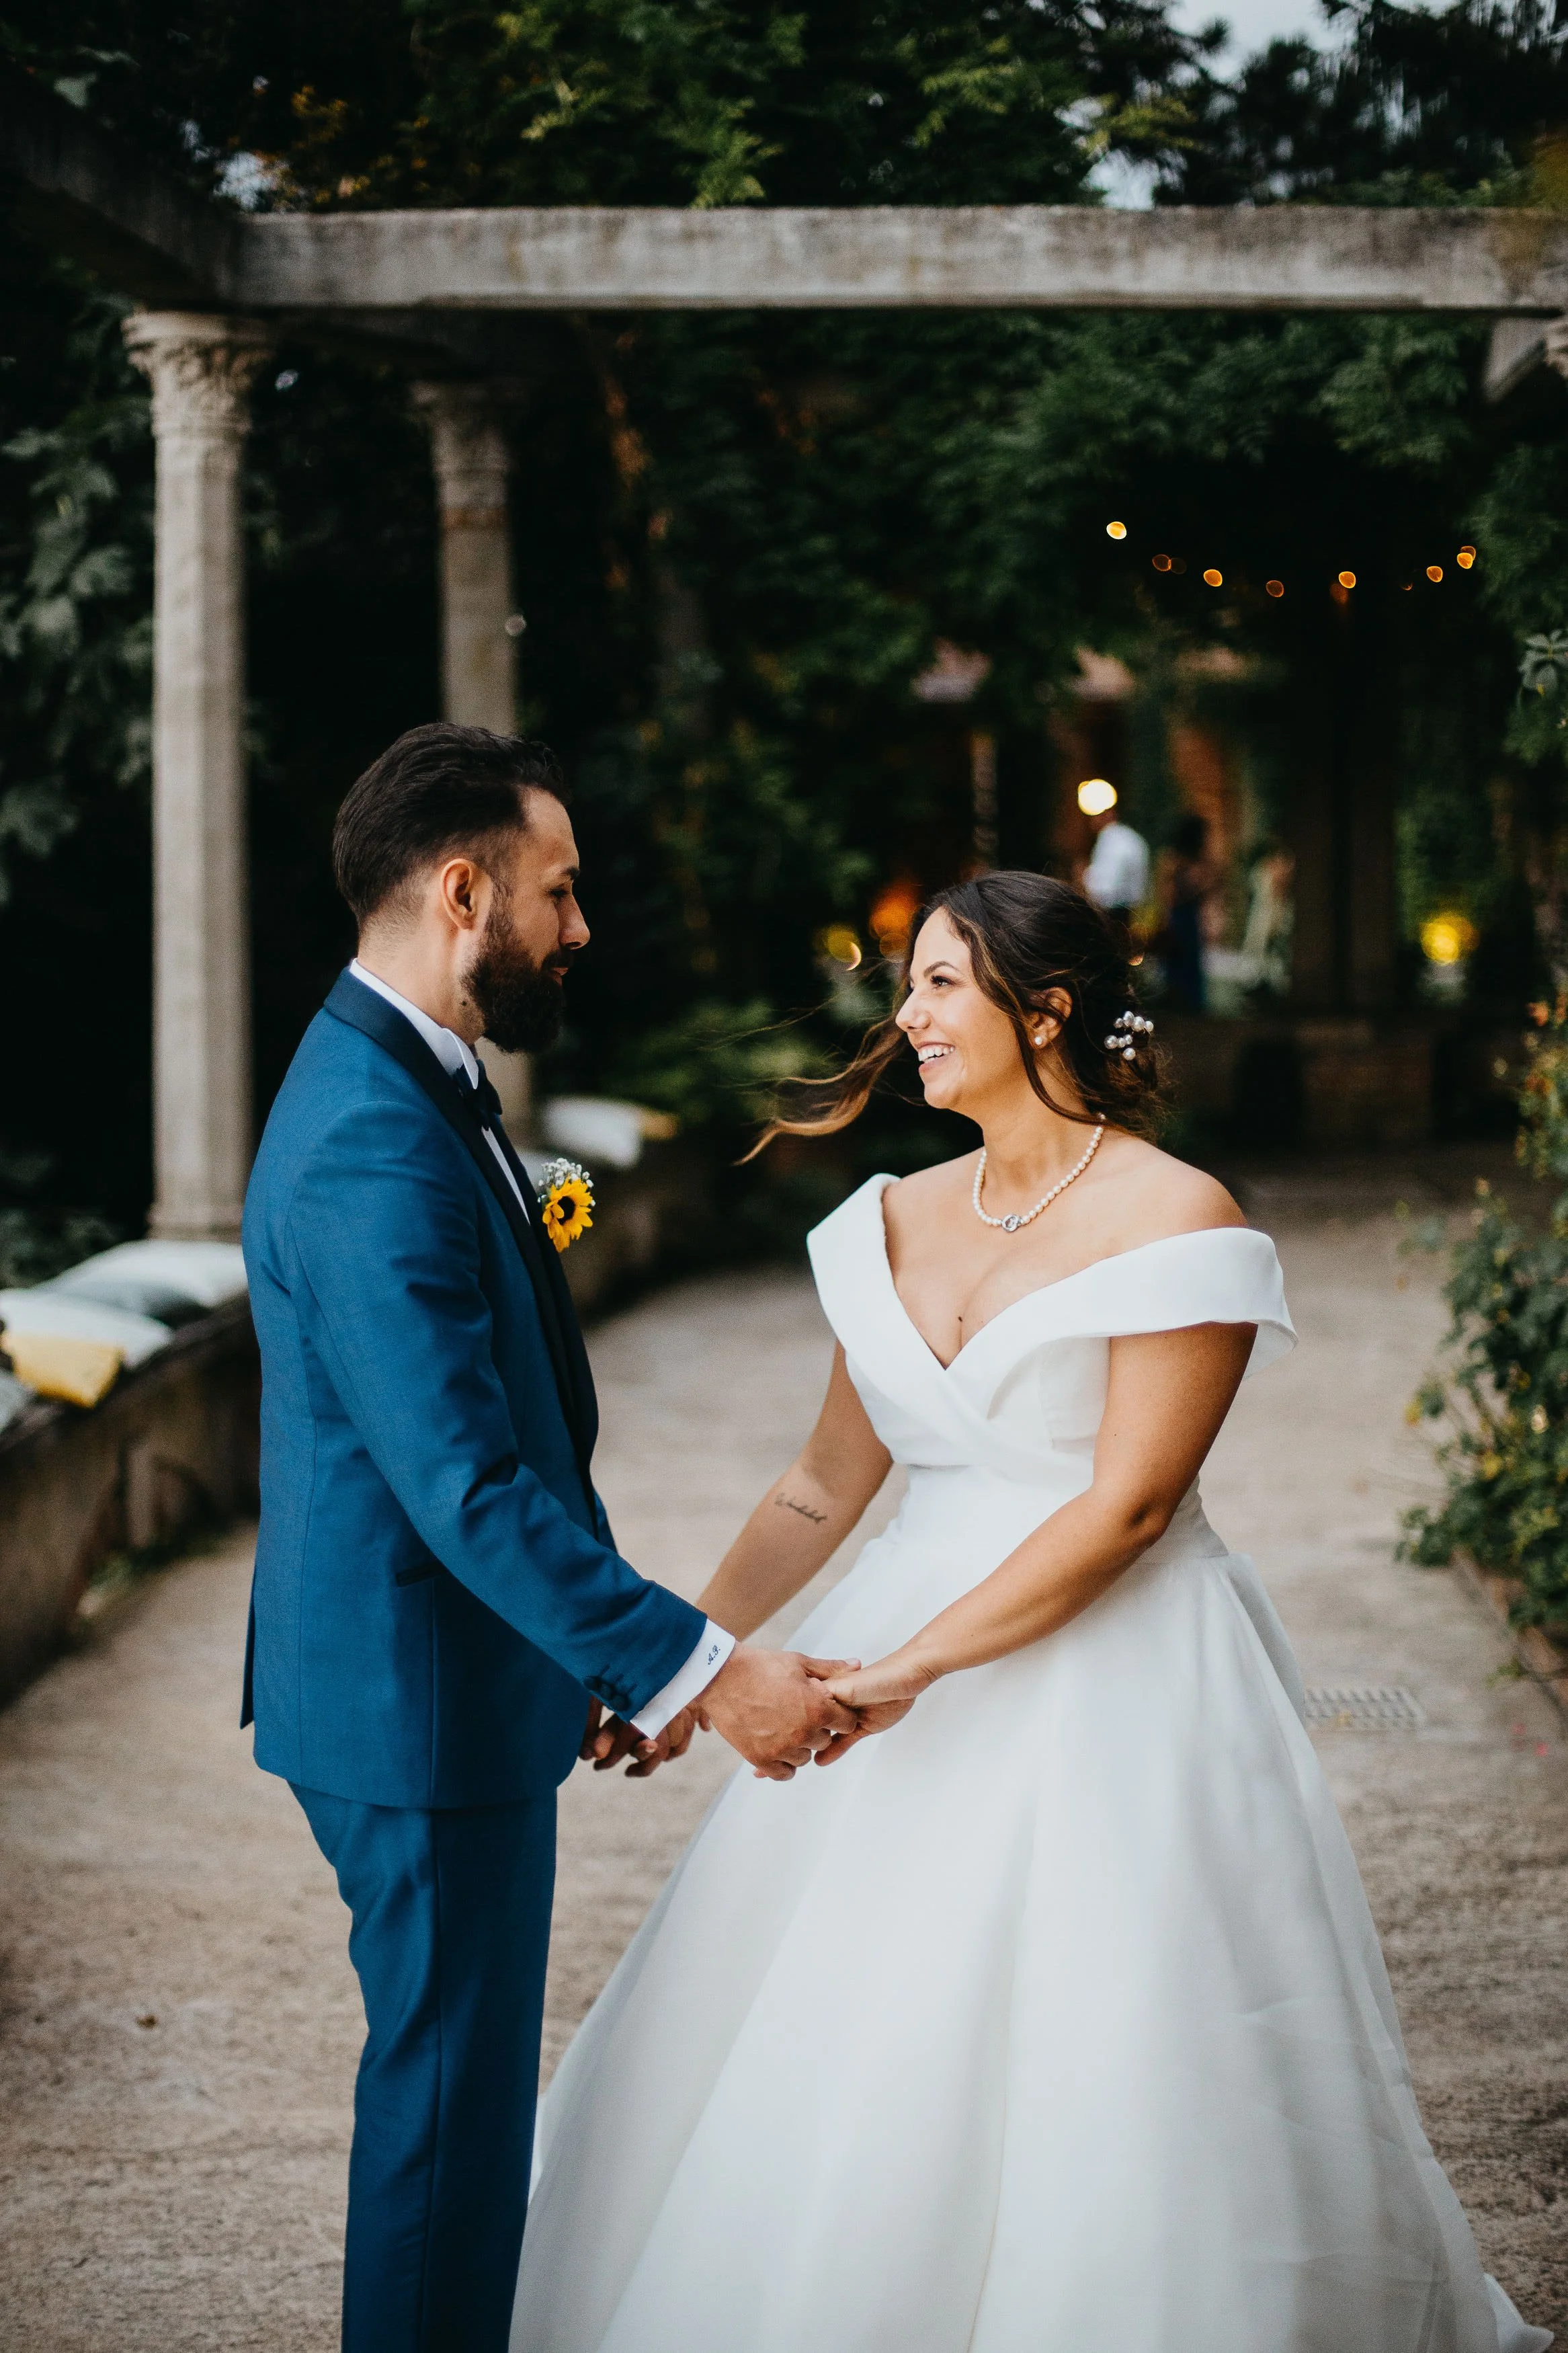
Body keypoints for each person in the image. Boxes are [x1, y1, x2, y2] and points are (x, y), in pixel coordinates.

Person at [511, 871, 1551, 2353]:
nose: (907, 1015)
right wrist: (676, 1662)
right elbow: (821, 1479)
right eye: (909, 983)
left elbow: (1123, 1508)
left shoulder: (1173, 1216)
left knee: (1119, 2058)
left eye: (939, 984)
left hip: (1115, 1679)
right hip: (883, 1671)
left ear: (1041, 1009)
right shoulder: (886, 1216)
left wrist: (909, 1669)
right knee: (852, 2050)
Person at [241, 722, 863, 2353]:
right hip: (413, 1704)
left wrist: (575, 1648)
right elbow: (462, 1487)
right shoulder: (374, 1137)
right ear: (465, 892)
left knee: (453, 2103)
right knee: (447, 2126)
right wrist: (699, 1673)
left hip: (444, 1675)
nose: (581, 927)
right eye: (559, 890)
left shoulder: (412, 1079)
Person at [1159, 808, 1218, 1010]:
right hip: (1180, 917)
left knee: (1189, 965)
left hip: (1190, 917)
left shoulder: (1193, 861)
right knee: (1180, 963)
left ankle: (1188, 1004)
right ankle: (1179, 1002)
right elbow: (1170, 894)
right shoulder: (1176, 861)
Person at [1081, 789, 1151, 945]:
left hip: (1112, 911)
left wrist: (1085, 877)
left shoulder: (1111, 840)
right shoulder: (1132, 838)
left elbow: (1106, 886)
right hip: (1130, 909)